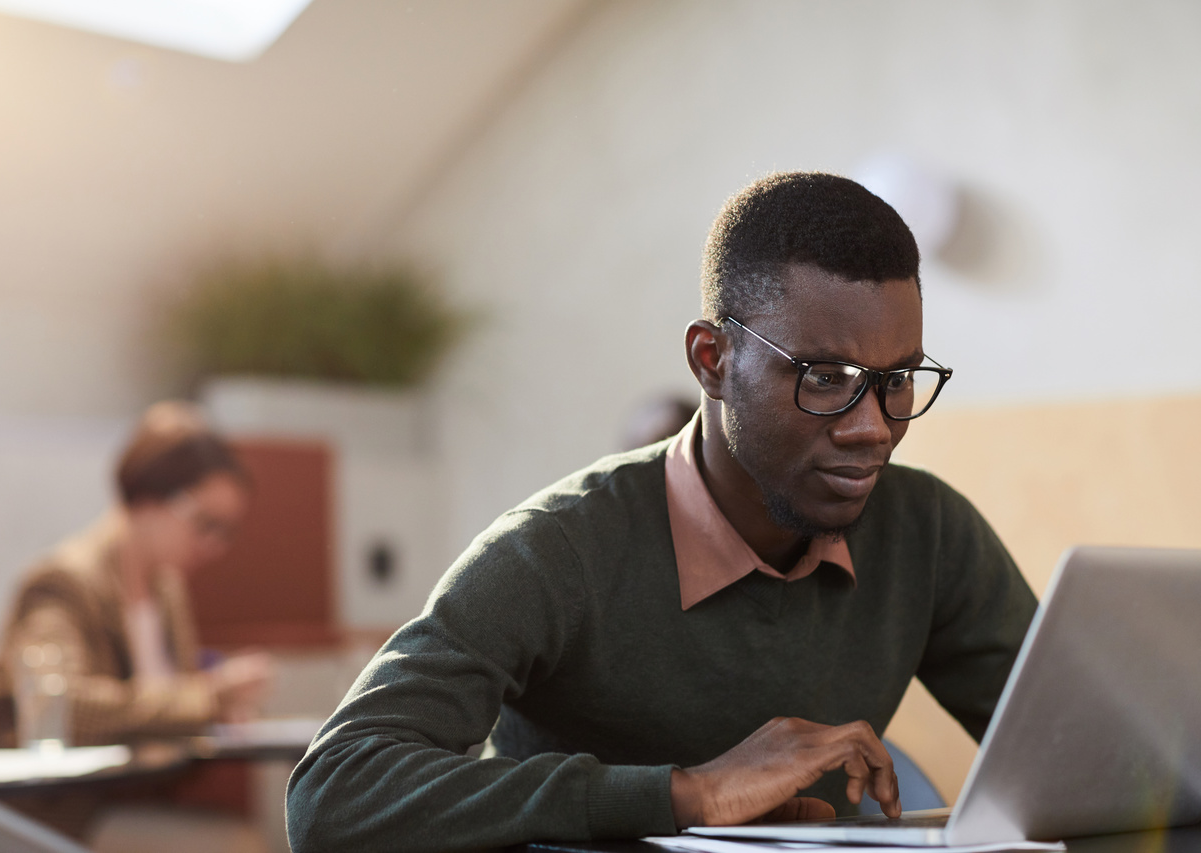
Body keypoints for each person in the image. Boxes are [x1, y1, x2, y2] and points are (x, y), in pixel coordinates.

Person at [285, 172, 1037, 851]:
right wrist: (688, 793)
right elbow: (335, 792)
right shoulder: (558, 548)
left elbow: (1088, 754)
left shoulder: (930, 533)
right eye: (825, 376)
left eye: (897, 379)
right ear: (712, 360)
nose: (872, 424)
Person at [0, 401, 272, 748]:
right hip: (58, 800)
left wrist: (221, 703)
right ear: (149, 496)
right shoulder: (62, 581)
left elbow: (175, 702)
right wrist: (207, 699)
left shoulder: (167, 588)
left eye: (228, 531)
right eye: (207, 523)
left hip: (141, 791)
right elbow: (59, 704)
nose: (216, 546)